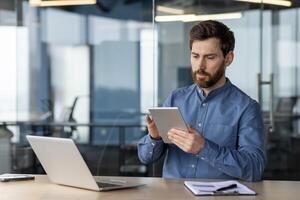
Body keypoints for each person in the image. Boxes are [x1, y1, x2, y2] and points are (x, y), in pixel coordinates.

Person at [137, 20, 266, 181]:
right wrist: (154, 138)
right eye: (195, 56)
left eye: (210, 57)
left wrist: (204, 148)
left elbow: (255, 168)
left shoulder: (246, 108)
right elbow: (145, 157)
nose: (200, 65)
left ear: (228, 58)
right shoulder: (175, 99)